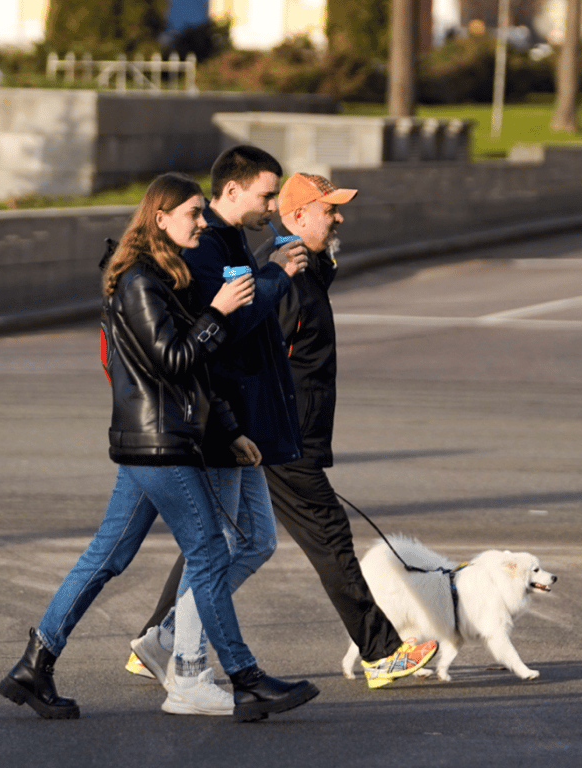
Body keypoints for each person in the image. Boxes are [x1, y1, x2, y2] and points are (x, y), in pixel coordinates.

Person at [0, 172, 318, 722]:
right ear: (160, 219)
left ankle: (35, 663)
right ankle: (243, 678)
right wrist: (217, 312)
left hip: (157, 439)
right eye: (192, 213)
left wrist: (230, 428)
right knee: (211, 554)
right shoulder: (139, 282)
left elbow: (200, 373)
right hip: (158, 443)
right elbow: (173, 361)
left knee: (108, 556)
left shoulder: (169, 277)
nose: (201, 221)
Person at [131, 172, 438, 691]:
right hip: (280, 436)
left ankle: (156, 640)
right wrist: (254, 427)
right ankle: (381, 652)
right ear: (296, 218)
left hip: (281, 434)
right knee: (328, 537)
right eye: (329, 210)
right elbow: (251, 350)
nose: (339, 217)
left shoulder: (307, 269)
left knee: (217, 539)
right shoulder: (285, 278)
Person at [124, 145, 309, 712]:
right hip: (216, 422)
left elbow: (246, 326)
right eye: (266, 195)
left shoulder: (228, 244)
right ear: (232, 191)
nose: (272, 205)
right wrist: (275, 277)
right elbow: (221, 334)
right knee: (218, 545)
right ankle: (186, 665)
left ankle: (166, 639)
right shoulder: (205, 249)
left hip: (238, 419)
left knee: (254, 541)